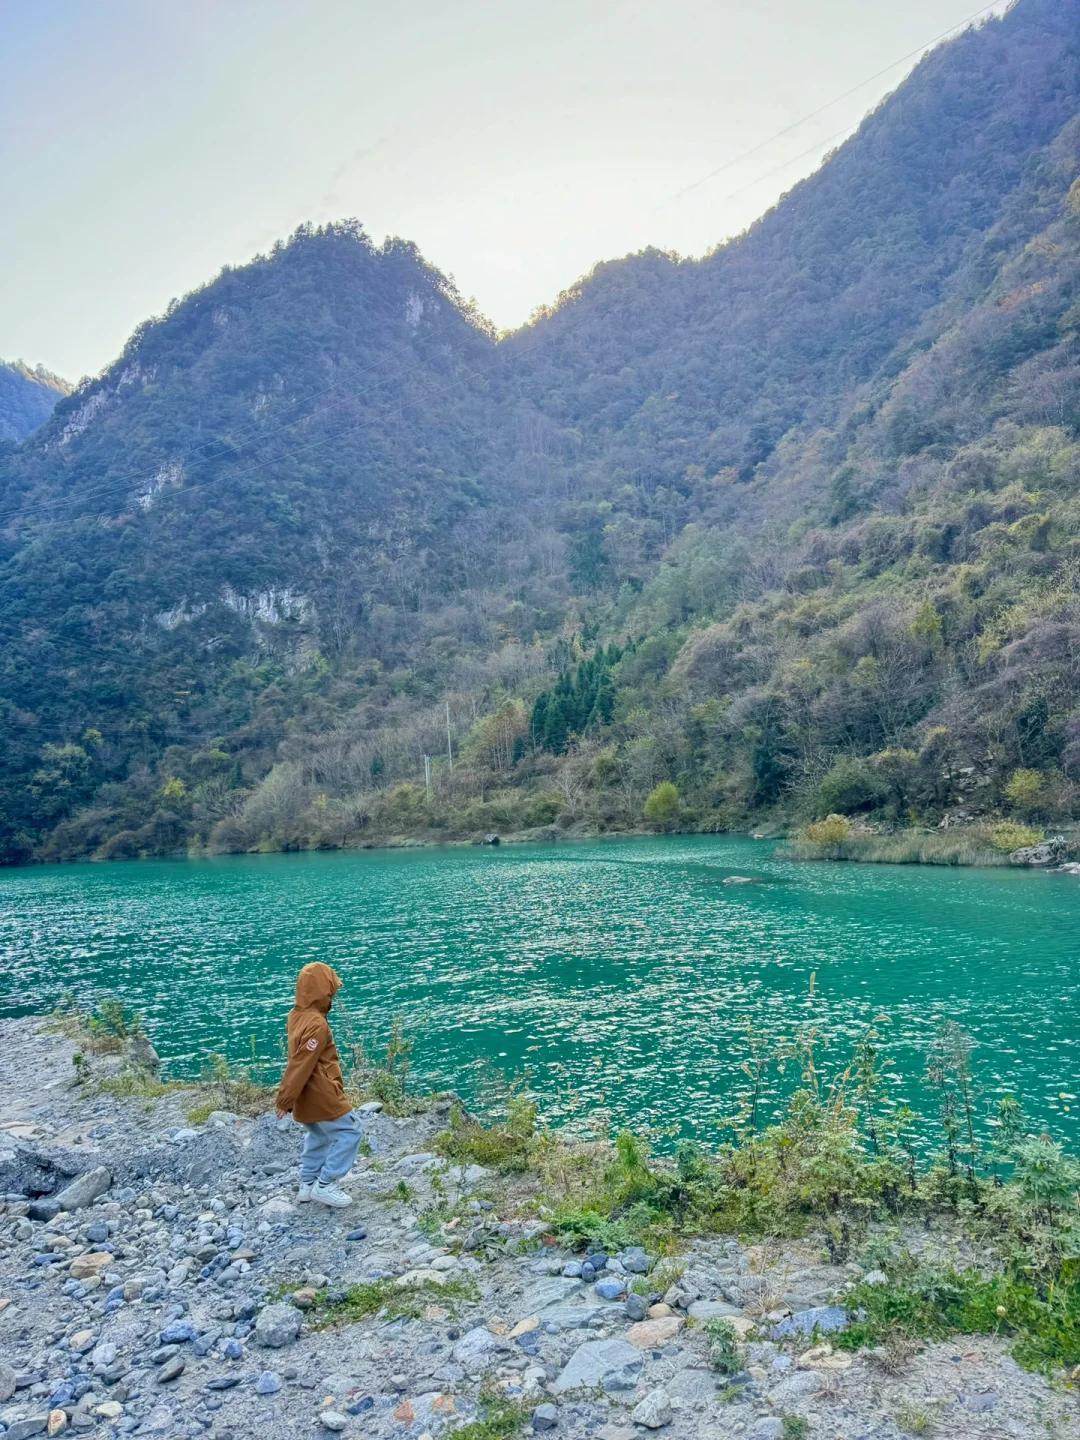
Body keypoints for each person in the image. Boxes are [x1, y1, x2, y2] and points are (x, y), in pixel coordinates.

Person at [275, 961, 365, 1208]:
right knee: (352, 1129)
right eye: (330, 987)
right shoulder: (317, 1024)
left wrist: (292, 1097)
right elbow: (301, 1063)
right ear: (321, 990)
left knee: (319, 1136)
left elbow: (297, 1060)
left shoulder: (296, 1016)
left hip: (306, 1095)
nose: (333, 992)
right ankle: (326, 1184)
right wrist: (284, 1099)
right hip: (320, 1091)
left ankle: (307, 1184)